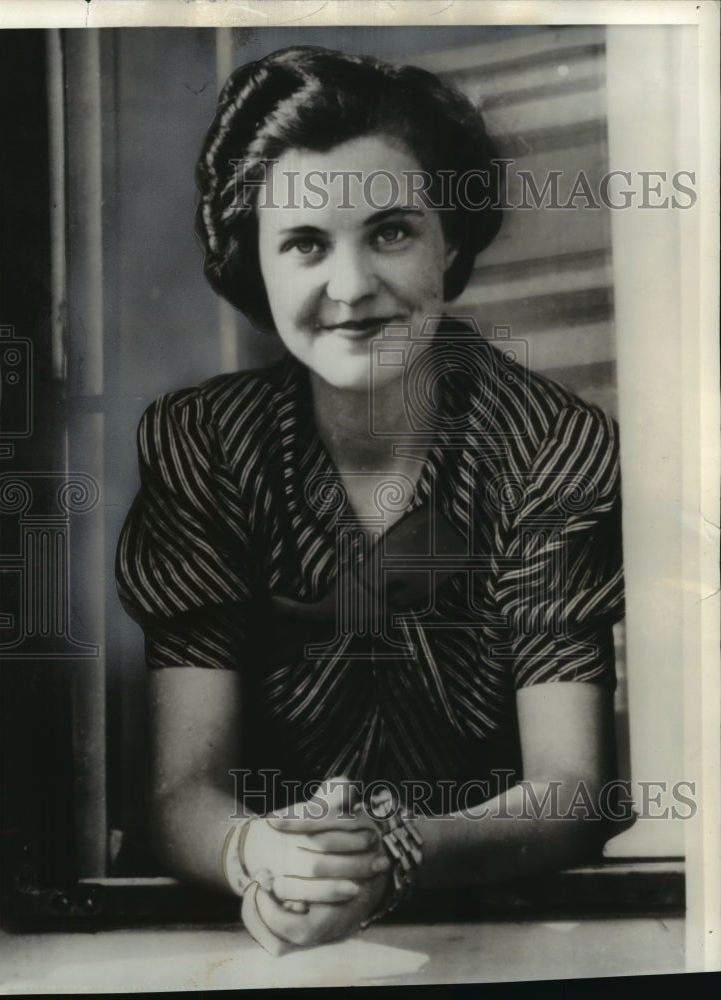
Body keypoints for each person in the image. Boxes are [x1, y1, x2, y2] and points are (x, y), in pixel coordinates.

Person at [116, 45, 627, 953]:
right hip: (242, 940)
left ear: (452, 240)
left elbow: (573, 789)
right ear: (252, 263)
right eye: (305, 243)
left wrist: (393, 854)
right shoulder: (204, 447)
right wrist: (255, 852)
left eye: (391, 230)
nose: (350, 288)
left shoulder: (549, 443)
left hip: (517, 939)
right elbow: (177, 789)